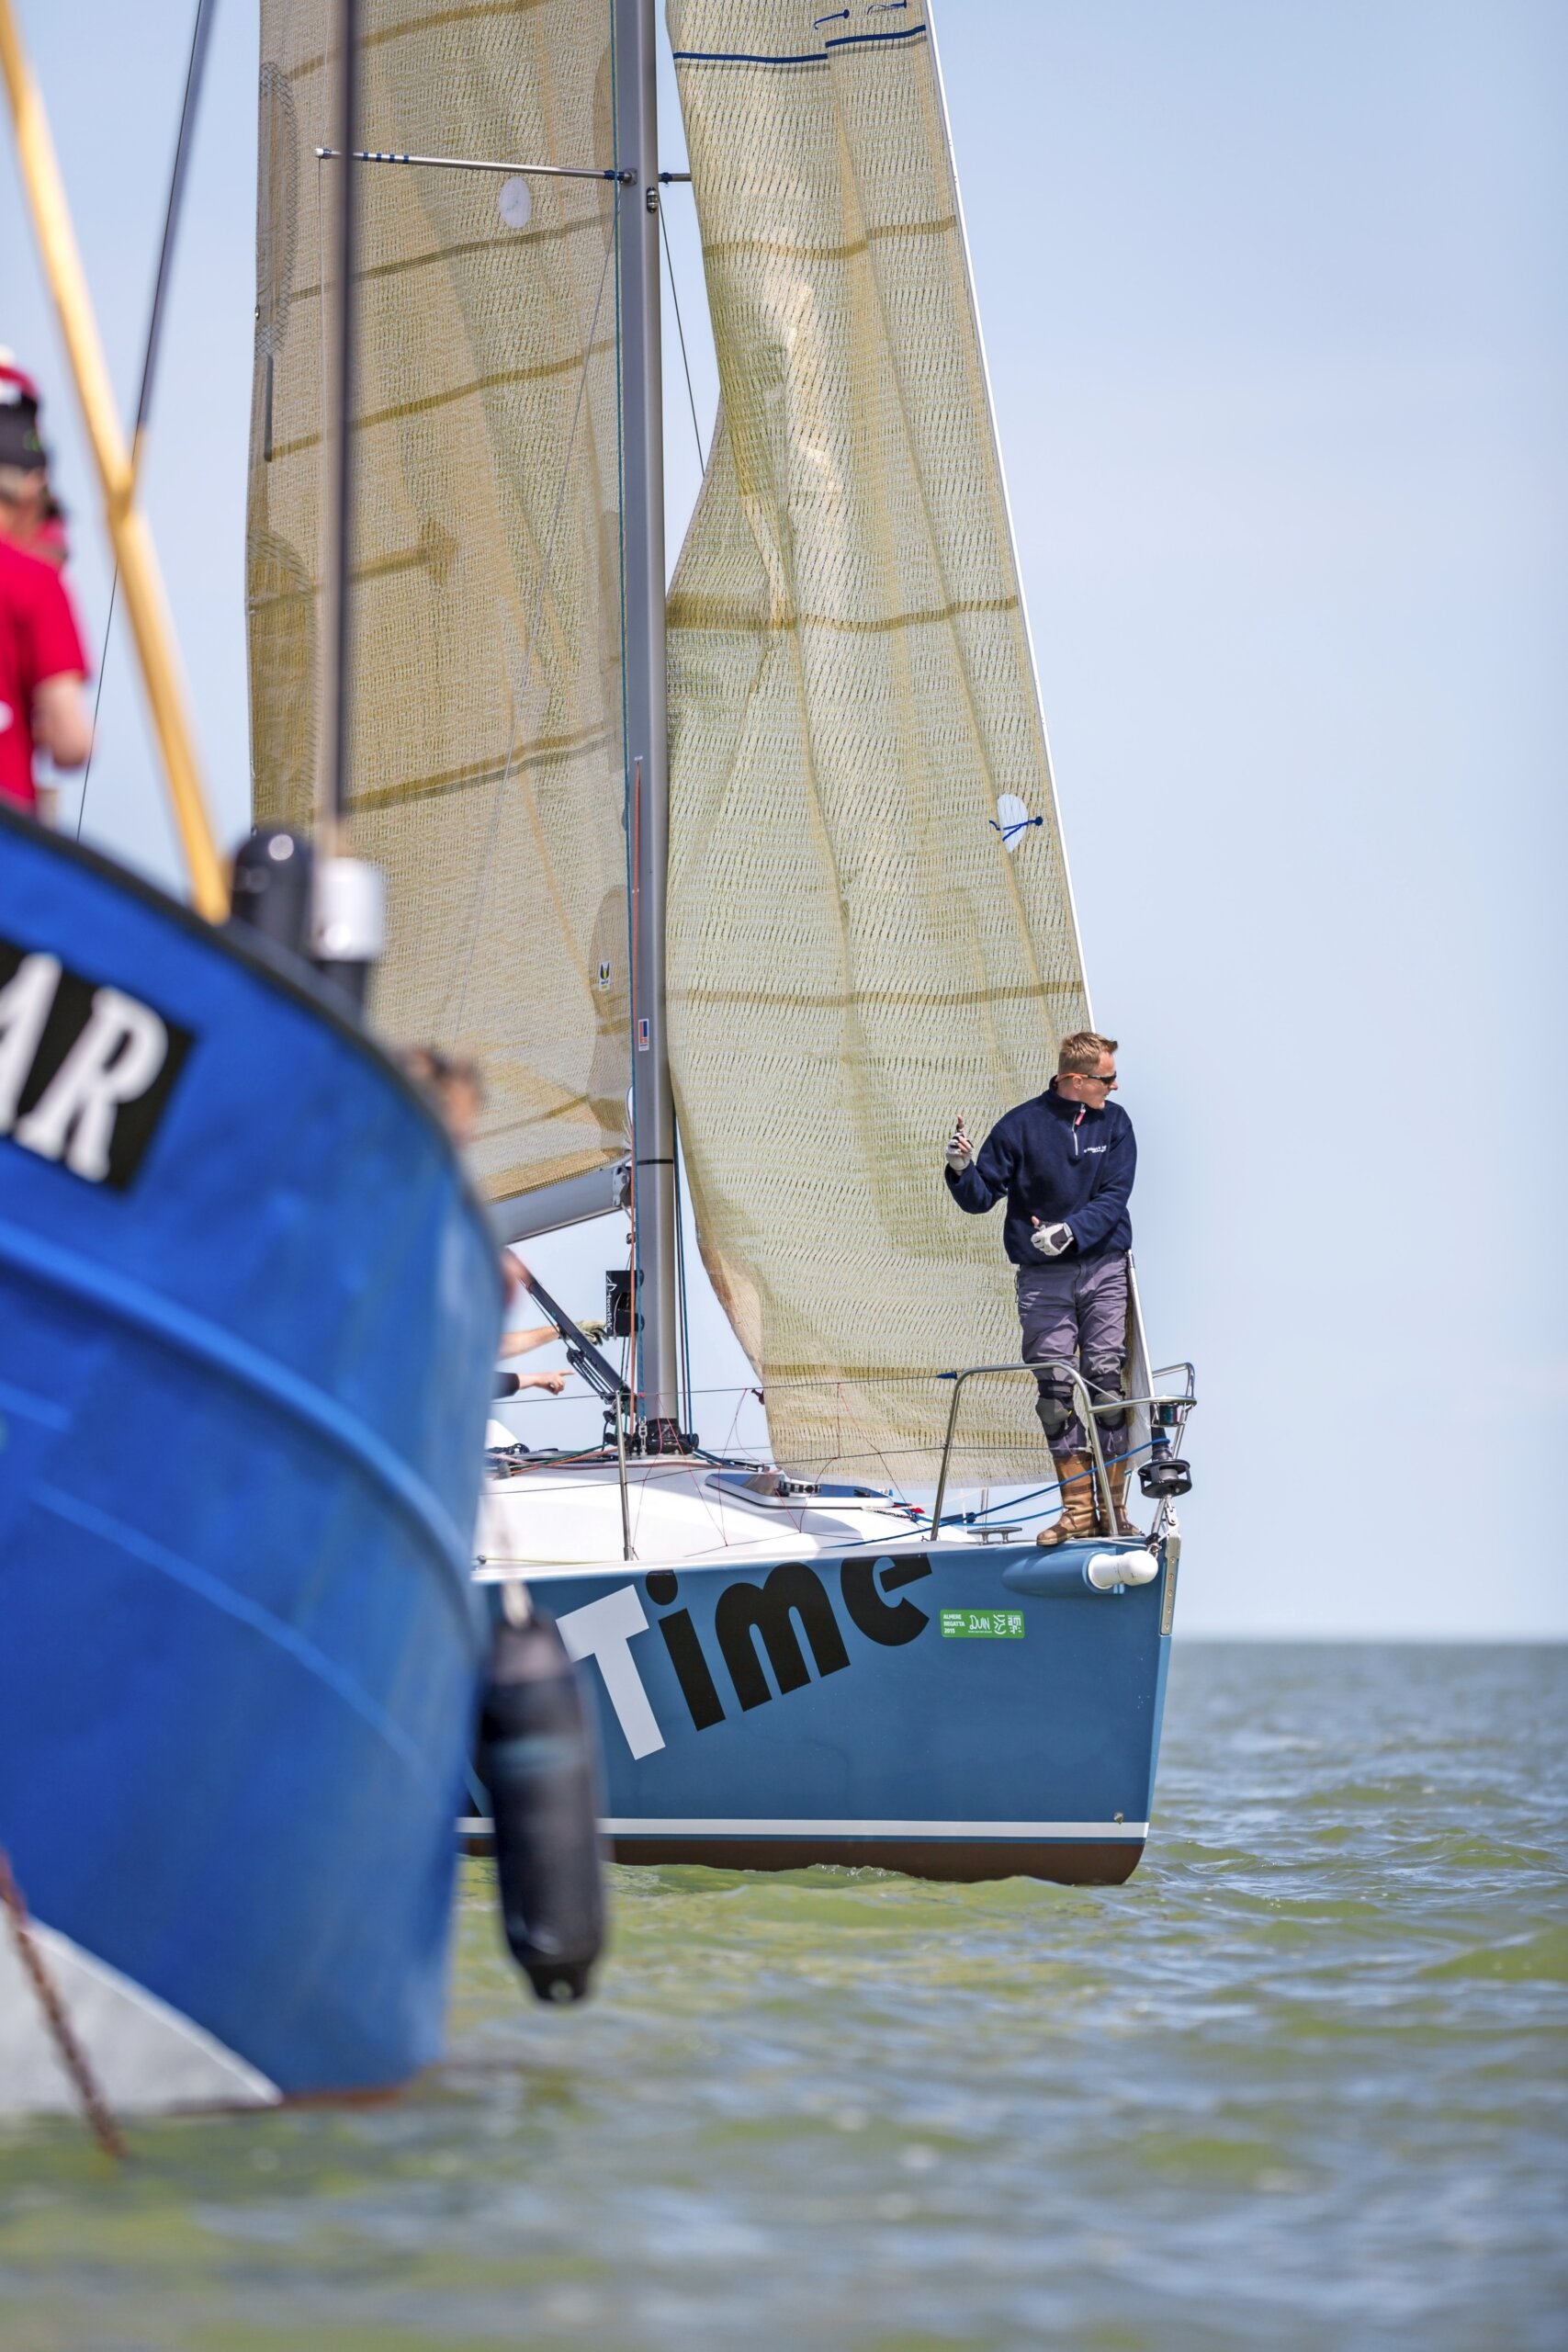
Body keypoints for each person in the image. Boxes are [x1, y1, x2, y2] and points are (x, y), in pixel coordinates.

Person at [944, 1030, 1138, 1546]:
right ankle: (1077, 1514)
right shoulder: (1021, 1125)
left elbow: (1115, 1196)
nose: (1115, 1086)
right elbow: (980, 1197)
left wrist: (1070, 1230)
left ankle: (1114, 1513)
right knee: (1054, 1396)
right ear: (1076, 1080)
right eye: (1107, 1078)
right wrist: (960, 1168)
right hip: (1042, 1279)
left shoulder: (1115, 1124)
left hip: (1103, 1268)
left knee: (1106, 1388)